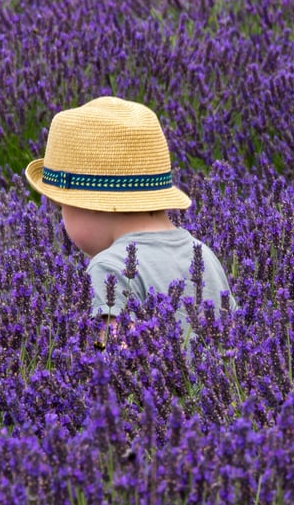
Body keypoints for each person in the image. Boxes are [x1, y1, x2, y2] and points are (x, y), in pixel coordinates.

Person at [25, 96, 235, 334]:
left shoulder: (109, 269)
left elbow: (115, 358)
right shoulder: (203, 254)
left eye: (60, 206)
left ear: (90, 204)